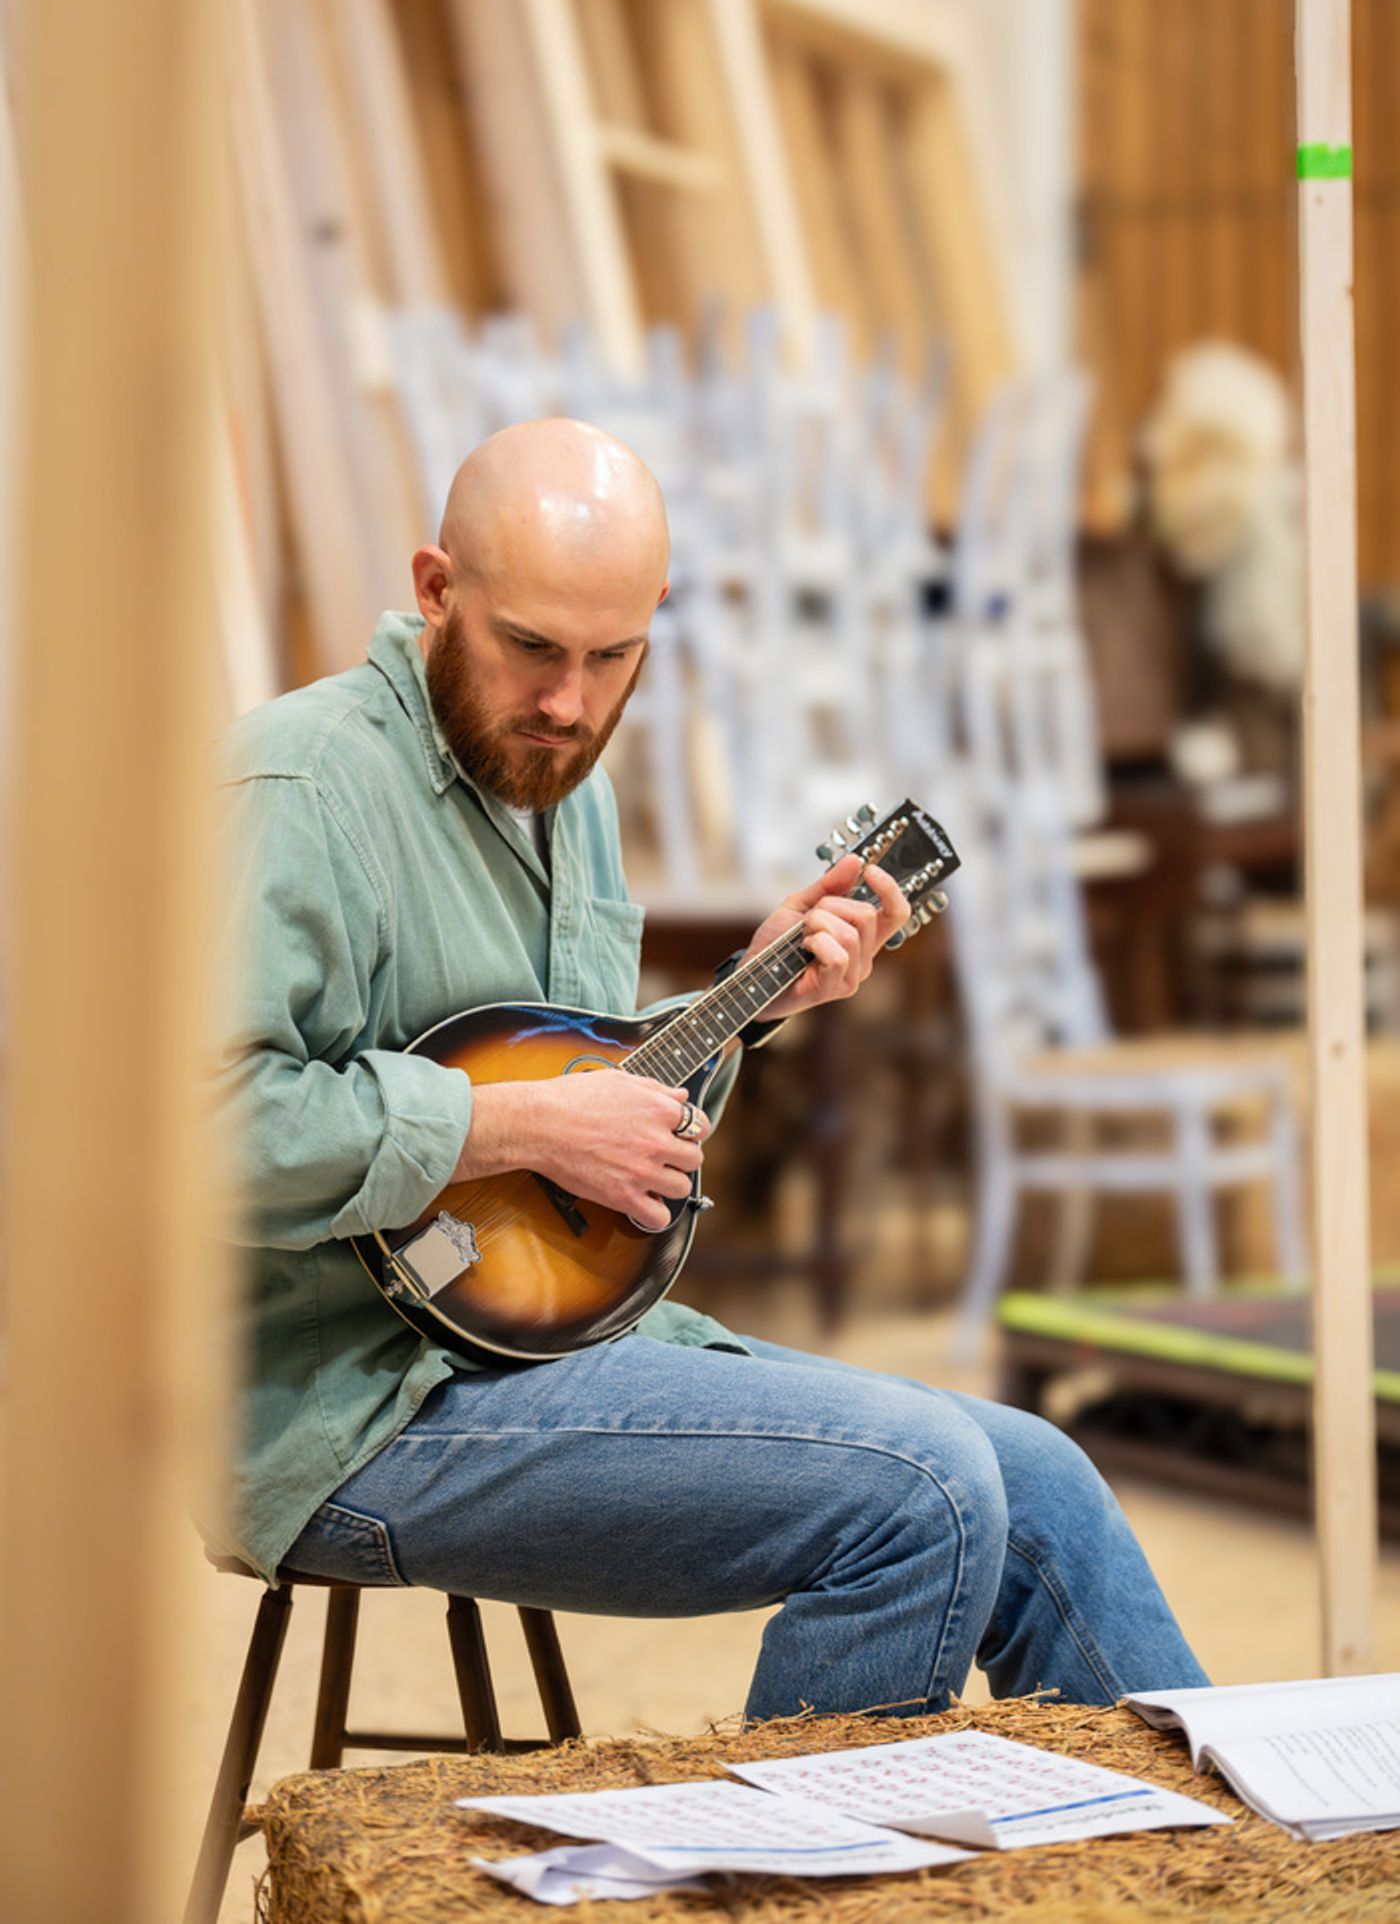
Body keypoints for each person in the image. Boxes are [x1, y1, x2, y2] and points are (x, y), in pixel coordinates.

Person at [213, 417, 1208, 1718]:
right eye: (531, 649)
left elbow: (590, 1098)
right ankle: (783, 1892)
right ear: (435, 589)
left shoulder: (572, 786)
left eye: (611, 656)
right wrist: (512, 1128)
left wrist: (752, 995)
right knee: (925, 1491)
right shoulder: (300, 784)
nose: (569, 702)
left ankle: (1245, 1863)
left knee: (1044, 1483)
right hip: (351, 1408)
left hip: (549, 1335)